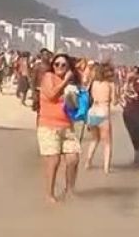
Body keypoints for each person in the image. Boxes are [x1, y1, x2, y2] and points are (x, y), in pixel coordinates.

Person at [36, 53, 80, 203]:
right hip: (49, 126)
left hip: (67, 126)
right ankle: (49, 194)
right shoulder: (49, 77)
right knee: (54, 161)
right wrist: (65, 81)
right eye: (57, 64)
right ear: (52, 66)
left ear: (69, 67)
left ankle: (69, 190)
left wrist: (76, 98)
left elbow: (73, 107)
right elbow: (51, 95)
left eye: (63, 65)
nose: (60, 67)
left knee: (73, 159)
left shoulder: (71, 84)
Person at [83, 61, 117, 174]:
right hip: (103, 112)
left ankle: (88, 162)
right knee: (107, 143)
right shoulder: (110, 84)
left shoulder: (94, 83)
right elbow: (115, 101)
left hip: (92, 112)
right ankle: (106, 168)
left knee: (94, 139)